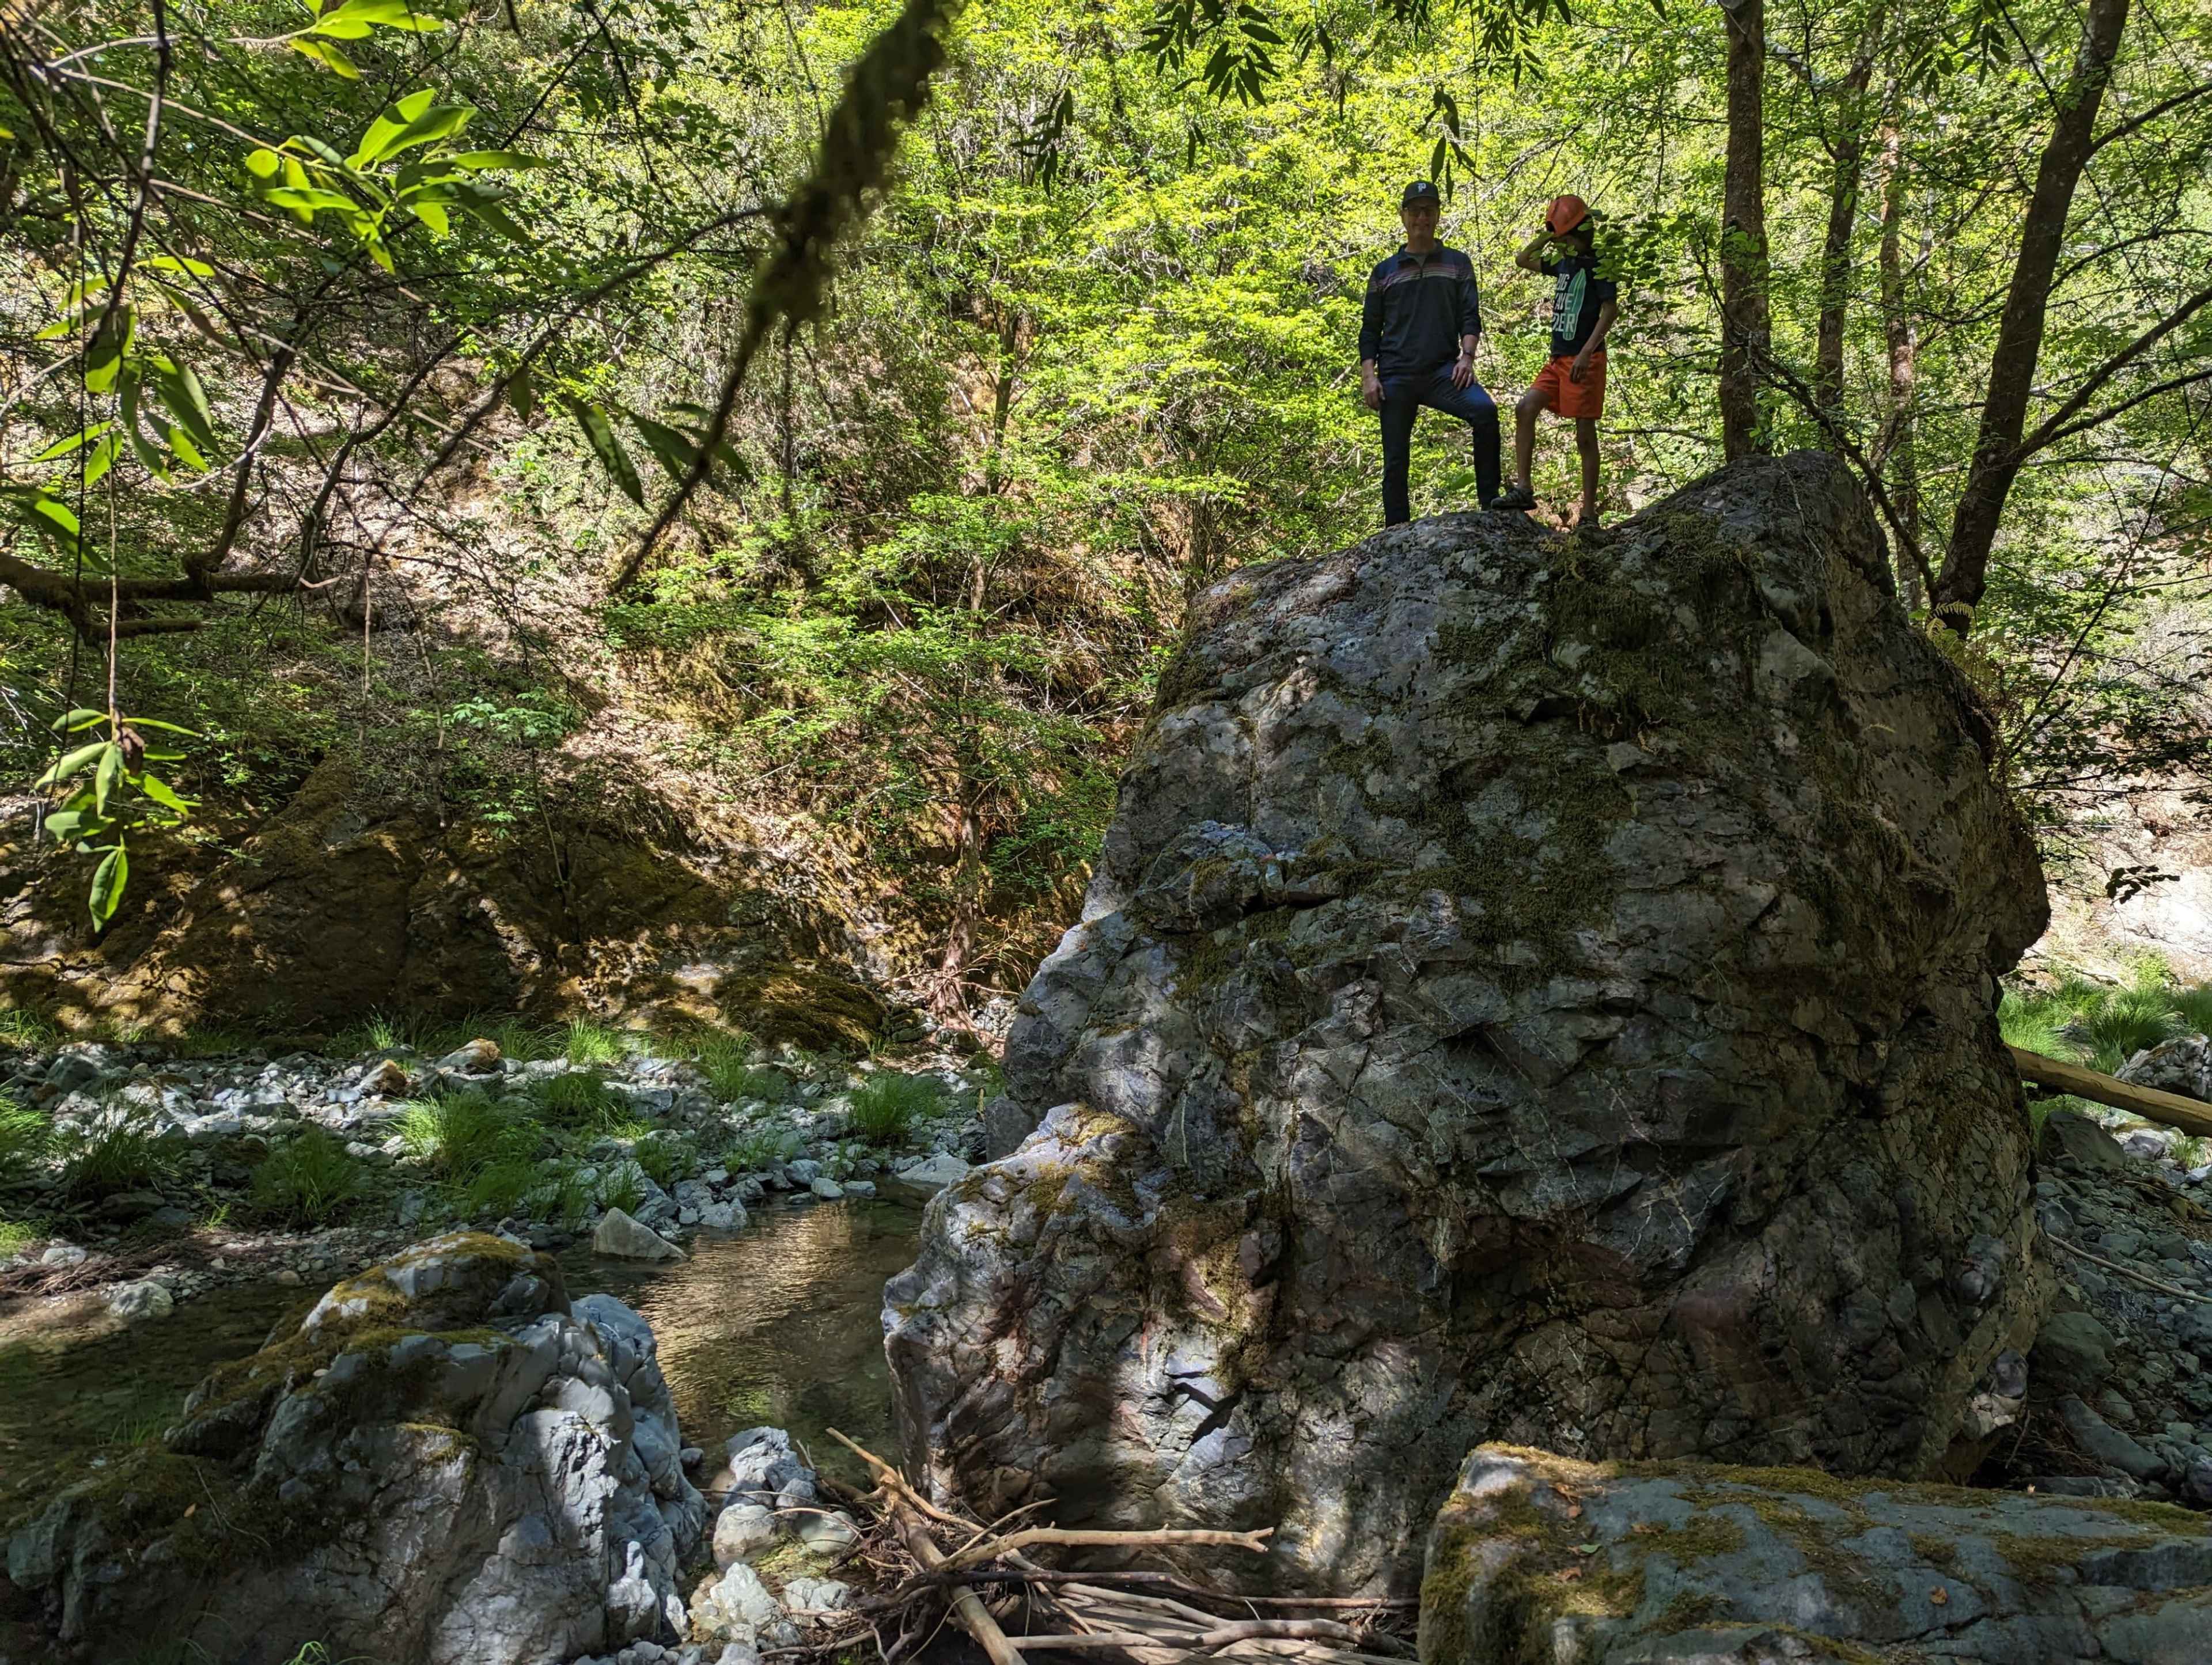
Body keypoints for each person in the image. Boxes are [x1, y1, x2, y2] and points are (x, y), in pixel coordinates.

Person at [1358, 180, 1501, 526]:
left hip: (1443, 371)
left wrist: (1467, 356)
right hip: (1396, 375)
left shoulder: (1457, 263)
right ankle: (1396, 533)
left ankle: (1492, 508)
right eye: (1416, 210)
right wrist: (1369, 376)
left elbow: (1470, 316)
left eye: (1429, 210)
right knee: (1395, 460)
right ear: (1404, 216)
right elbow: (1370, 328)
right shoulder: (1385, 272)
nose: (1422, 217)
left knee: (1485, 413)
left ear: (1437, 215)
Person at [1491, 194, 1618, 526]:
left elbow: (1610, 309)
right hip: (1558, 358)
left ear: (1576, 236)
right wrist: (1549, 233)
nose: (1559, 245)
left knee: (1585, 436)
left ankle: (1589, 514)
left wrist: (1588, 351)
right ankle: (1524, 489)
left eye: (1563, 238)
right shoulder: (1565, 263)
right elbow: (1523, 259)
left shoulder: (1598, 264)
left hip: (1583, 359)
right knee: (1525, 408)